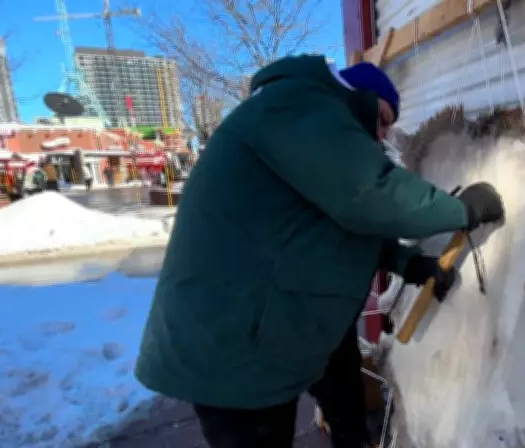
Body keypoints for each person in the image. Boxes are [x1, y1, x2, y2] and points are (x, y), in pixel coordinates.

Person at [134, 54, 505, 448]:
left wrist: (409, 263)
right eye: (382, 119)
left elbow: (346, 223)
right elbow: (372, 194)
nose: (382, 136)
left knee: (345, 395)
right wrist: (460, 211)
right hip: (237, 341)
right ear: (360, 95)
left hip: (289, 320)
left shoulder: (307, 124)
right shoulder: (296, 106)